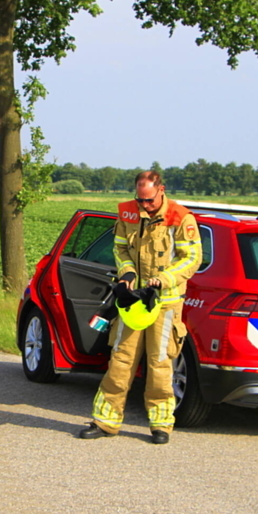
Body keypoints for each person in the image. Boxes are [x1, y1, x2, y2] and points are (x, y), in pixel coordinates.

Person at [79, 171, 202, 445]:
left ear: (161, 190)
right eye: (140, 199)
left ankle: (161, 425)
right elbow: (120, 249)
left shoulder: (181, 218)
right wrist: (127, 274)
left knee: (159, 365)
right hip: (133, 302)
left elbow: (192, 259)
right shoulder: (127, 214)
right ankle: (105, 422)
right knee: (120, 362)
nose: (144, 205)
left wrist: (164, 279)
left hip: (165, 304)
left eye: (148, 200)